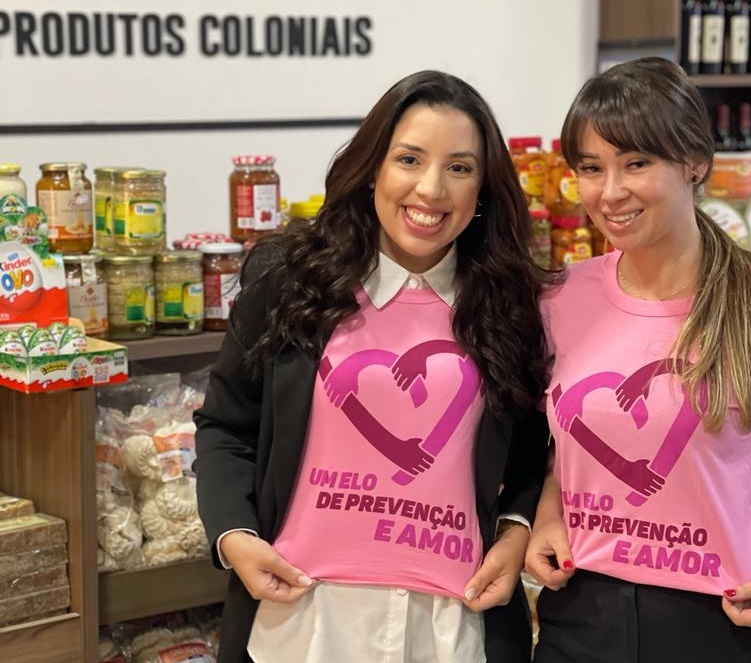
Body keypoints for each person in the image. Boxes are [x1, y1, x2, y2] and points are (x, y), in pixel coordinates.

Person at [193, 69, 551, 663]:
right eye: (409, 159)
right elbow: (226, 426)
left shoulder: (511, 303)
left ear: (484, 188)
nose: (431, 189)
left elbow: (534, 446)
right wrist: (234, 536)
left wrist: (516, 528)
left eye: (460, 168)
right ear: (372, 169)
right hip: (303, 621)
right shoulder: (290, 279)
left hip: (452, 626)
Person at [525, 56, 751, 663]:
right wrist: (547, 512)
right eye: (591, 168)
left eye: (636, 163)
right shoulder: (558, 298)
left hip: (726, 623)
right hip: (581, 615)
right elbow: (553, 442)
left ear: (694, 162)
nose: (611, 192)